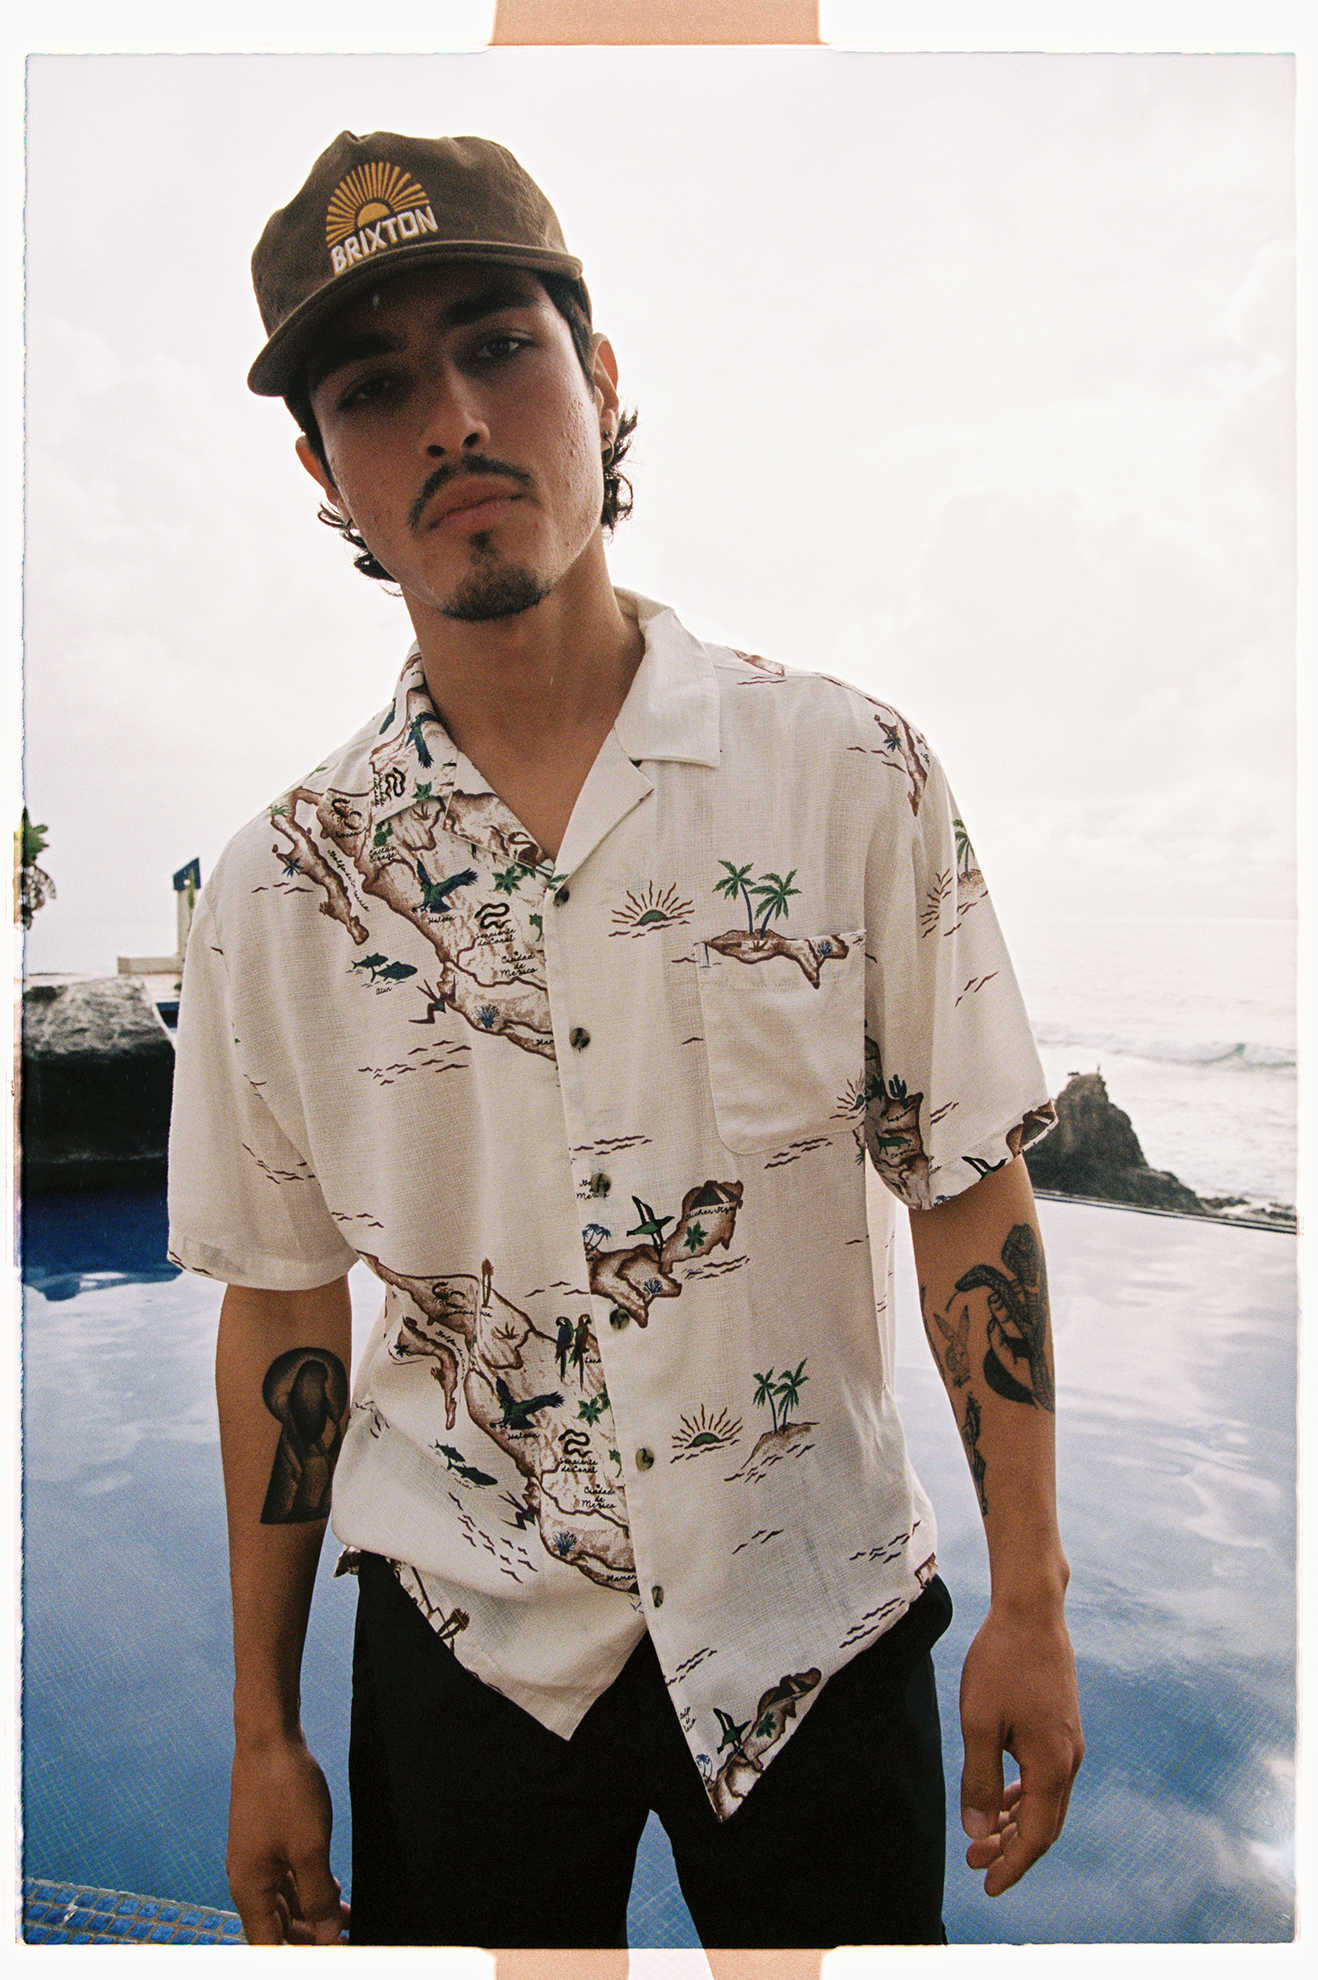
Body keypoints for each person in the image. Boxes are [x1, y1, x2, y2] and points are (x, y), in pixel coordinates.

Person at [167, 128, 1084, 1963]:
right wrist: (265, 1732)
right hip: (472, 1639)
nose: (450, 418)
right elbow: (282, 1308)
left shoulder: (846, 773)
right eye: (374, 388)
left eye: (497, 347)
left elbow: (963, 1190)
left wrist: (1032, 1600)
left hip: (815, 1603)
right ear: (322, 472)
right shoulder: (280, 891)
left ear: (595, 376)